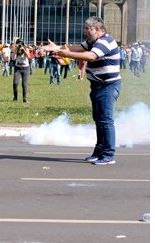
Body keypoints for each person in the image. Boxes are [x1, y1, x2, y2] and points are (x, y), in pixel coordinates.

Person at [44, 17, 122, 165]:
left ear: (97, 29)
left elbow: (91, 56)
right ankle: (99, 152)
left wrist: (66, 55)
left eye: (87, 29)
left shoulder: (105, 41)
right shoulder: (92, 42)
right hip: (98, 85)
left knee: (105, 120)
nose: (84, 31)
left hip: (108, 86)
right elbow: (76, 48)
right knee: (99, 119)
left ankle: (108, 155)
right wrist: (57, 48)